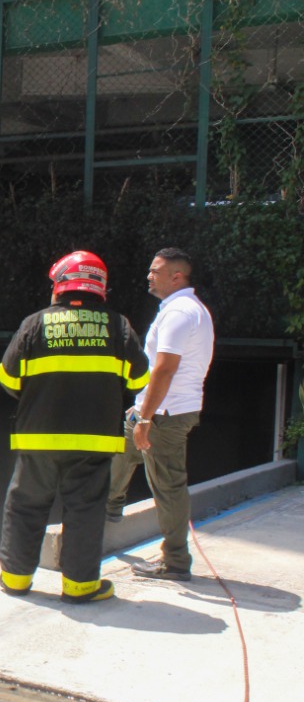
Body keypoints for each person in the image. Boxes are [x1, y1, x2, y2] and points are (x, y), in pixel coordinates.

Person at [0, 250, 150, 604]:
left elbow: (7, 377)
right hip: (94, 443)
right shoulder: (118, 326)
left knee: (26, 505)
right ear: (100, 288)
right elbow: (139, 376)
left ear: (61, 285)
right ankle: (80, 586)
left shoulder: (34, 323)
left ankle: (16, 579)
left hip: (38, 437)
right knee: (85, 510)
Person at [107, 247, 215, 582]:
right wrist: (140, 410)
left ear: (176, 276)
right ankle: (109, 507)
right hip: (163, 408)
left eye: (155, 271)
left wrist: (146, 418)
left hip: (166, 414)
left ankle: (176, 561)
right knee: (121, 450)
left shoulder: (180, 313)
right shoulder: (185, 309)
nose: (149, 275)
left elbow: (164, 370)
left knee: (167, 485)